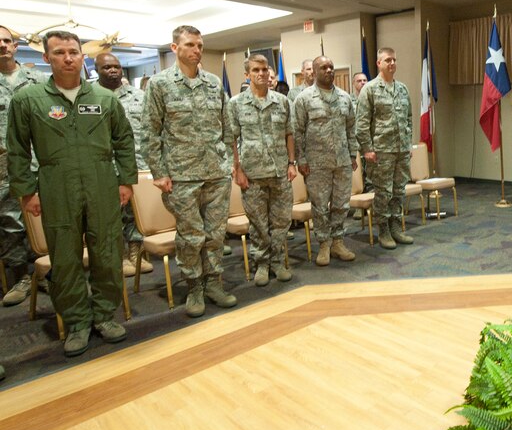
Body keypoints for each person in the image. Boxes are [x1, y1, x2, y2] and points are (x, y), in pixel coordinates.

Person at [7, 31, 137, 357]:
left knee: (108, 251)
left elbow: (123, 141)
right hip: (55, 185)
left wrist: (126, 181)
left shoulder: (105, 100)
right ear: (47, 58)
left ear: (82, 57)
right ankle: (78, 322)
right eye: (60, 52)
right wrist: (26, 191)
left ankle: (104, 315)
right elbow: (18, 150)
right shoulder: (29, 99)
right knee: (64, 258)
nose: (68, 58)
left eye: (73, 52)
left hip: (101, 183)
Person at [143, 25, 237, 318]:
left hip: (216, 173)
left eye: (200, 45)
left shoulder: (212, 83)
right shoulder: (160, 85)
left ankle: (213, 283)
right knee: (190, 235)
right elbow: (151, 131)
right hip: (181, 175)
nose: (197, 51)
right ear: (175, 48)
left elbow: (227, 126)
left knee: (216, 233)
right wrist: (159, 172)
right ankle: (194, 286)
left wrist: (227, 162)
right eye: (190, 45)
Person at [227, 54, 296, 285]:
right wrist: (237, 169)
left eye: (265, 70)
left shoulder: (282, 101)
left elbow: (289, 133)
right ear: (247, 75)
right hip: (252, 174)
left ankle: (277, 260)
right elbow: (232, 139)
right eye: (256, 70)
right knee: (258, 223)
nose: (262, 74)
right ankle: (262, 263)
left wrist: (291, 163)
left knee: (281, 221)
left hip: (279, 172)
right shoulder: (236, 104)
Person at [294, 56, 359, 266]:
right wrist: (301, 159)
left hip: (341, 162)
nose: (329, 70)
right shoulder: (304, 99)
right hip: (316, 164)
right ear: (314, 71)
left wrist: (352, 154)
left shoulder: (344, 98)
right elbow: (297, 131)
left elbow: (351, 128)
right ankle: (324, 244)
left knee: (341, 205)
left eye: (331, 67)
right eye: (324, 67)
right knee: (320, 206)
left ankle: (338, 242)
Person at [95, 52, 153, 277]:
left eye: (116, 66)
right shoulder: (91, 97)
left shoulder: (139, 96)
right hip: (105, 166)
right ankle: (116, 257)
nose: (112, 70)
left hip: (137, 163)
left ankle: (136, 254)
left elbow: (150, 128)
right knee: (110, 214)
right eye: (106, 67)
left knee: (136, 213)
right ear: (96, 71)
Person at [0, 25, 46, 307]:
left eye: (7, 41)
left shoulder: (38, 80)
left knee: (47, 219)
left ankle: (50, 273)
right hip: (4, 167)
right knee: (10, 223)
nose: (2, 46)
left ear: (16, 46)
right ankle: (21, 277)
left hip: (40, 162)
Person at [355, 47, 413, 250]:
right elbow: (362, 123)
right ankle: (383, 231)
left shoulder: (403, 89)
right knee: (383, 192)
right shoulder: (369, 89)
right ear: (378, 63)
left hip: (401, 150)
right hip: (381, 151)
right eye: (388, 60)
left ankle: (396, 227)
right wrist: (367, 149)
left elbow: (409, 119)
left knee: (399, 191)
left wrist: (408, 142)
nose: (392, 63)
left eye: (394, 59)